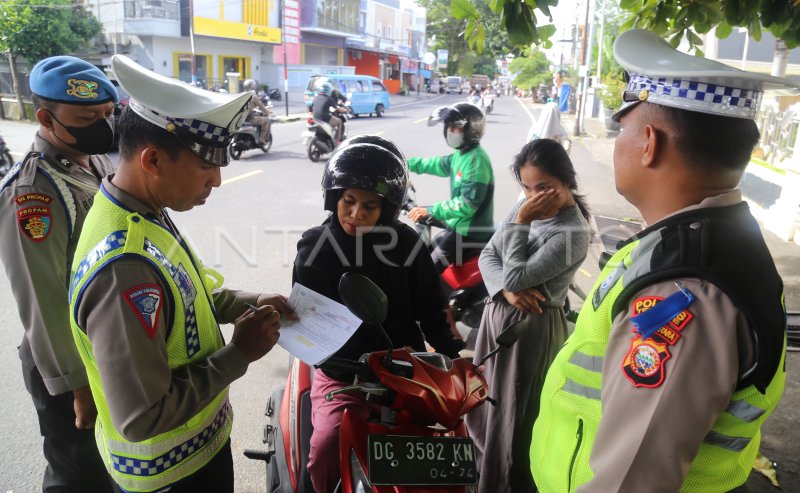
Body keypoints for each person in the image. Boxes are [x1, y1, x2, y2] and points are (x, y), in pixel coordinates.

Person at [530, 29, 797, 492]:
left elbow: (630, 481)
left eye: (622, 128)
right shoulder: (701, 241)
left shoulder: (684, 290)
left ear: (649, 142)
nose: (618, 141)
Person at [66, 54, 295, 493]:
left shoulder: (139, 208)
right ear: (152, 160)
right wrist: (238, 354)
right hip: (170, 477)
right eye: (207, 166)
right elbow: (141, 418)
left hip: (196, 456)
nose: (217, 181)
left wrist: (253, 301)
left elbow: (189, 293)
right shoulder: (124, 272)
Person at [294, 135, 466, 493]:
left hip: (405, 369)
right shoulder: (316, 247)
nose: (355, 214)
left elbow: (431, 308)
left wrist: (453, 358)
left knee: (451, 443)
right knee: (326, 444)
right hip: (345, 372)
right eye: (349, 201)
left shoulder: (406, 244)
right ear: (335, 198)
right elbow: (309, 320)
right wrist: (339, 362)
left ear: (386, 209)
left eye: (369, 206)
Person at [0, 55, 118, 493]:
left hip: (103, 348)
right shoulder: (33, 192)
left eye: (107, 115)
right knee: (77, 475)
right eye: (88, 118)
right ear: (45, 117)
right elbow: (43, 298)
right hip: (66, 360)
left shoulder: (95, 162)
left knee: (110, 465)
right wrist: (76, 387)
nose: (103, 126)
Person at [466, 138, 591, 493]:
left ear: (567, 181)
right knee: (485, 405)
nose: (534, 196)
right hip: (497, 319)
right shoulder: (527, 206)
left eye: (544, 187)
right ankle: (480, 475)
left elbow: (517, 275)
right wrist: (504, 290)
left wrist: (521, 221)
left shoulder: (572, 233)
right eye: (526, 187)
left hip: (528, 333)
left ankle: (504, 484)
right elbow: (488, 256)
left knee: (513, 417)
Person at [407, 102, 494, 272]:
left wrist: (431, 210)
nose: (449, 131)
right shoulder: (461, 155)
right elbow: (434, 164)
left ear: (471, 131)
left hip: (470, 231)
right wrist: (404, 163)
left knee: (427, 271)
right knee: (425, 249)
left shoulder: (476, 160)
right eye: (448, 127)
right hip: (460, 224)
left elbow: (467, 205)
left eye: (455, 128)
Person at [242, 78, 272, 148]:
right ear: (253, 87)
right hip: (250, 119)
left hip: (240, 119)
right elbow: (262, 107)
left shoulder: (241, 95)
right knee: (266, 120)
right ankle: (262, 138)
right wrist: (268, 112)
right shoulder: (253, 96)